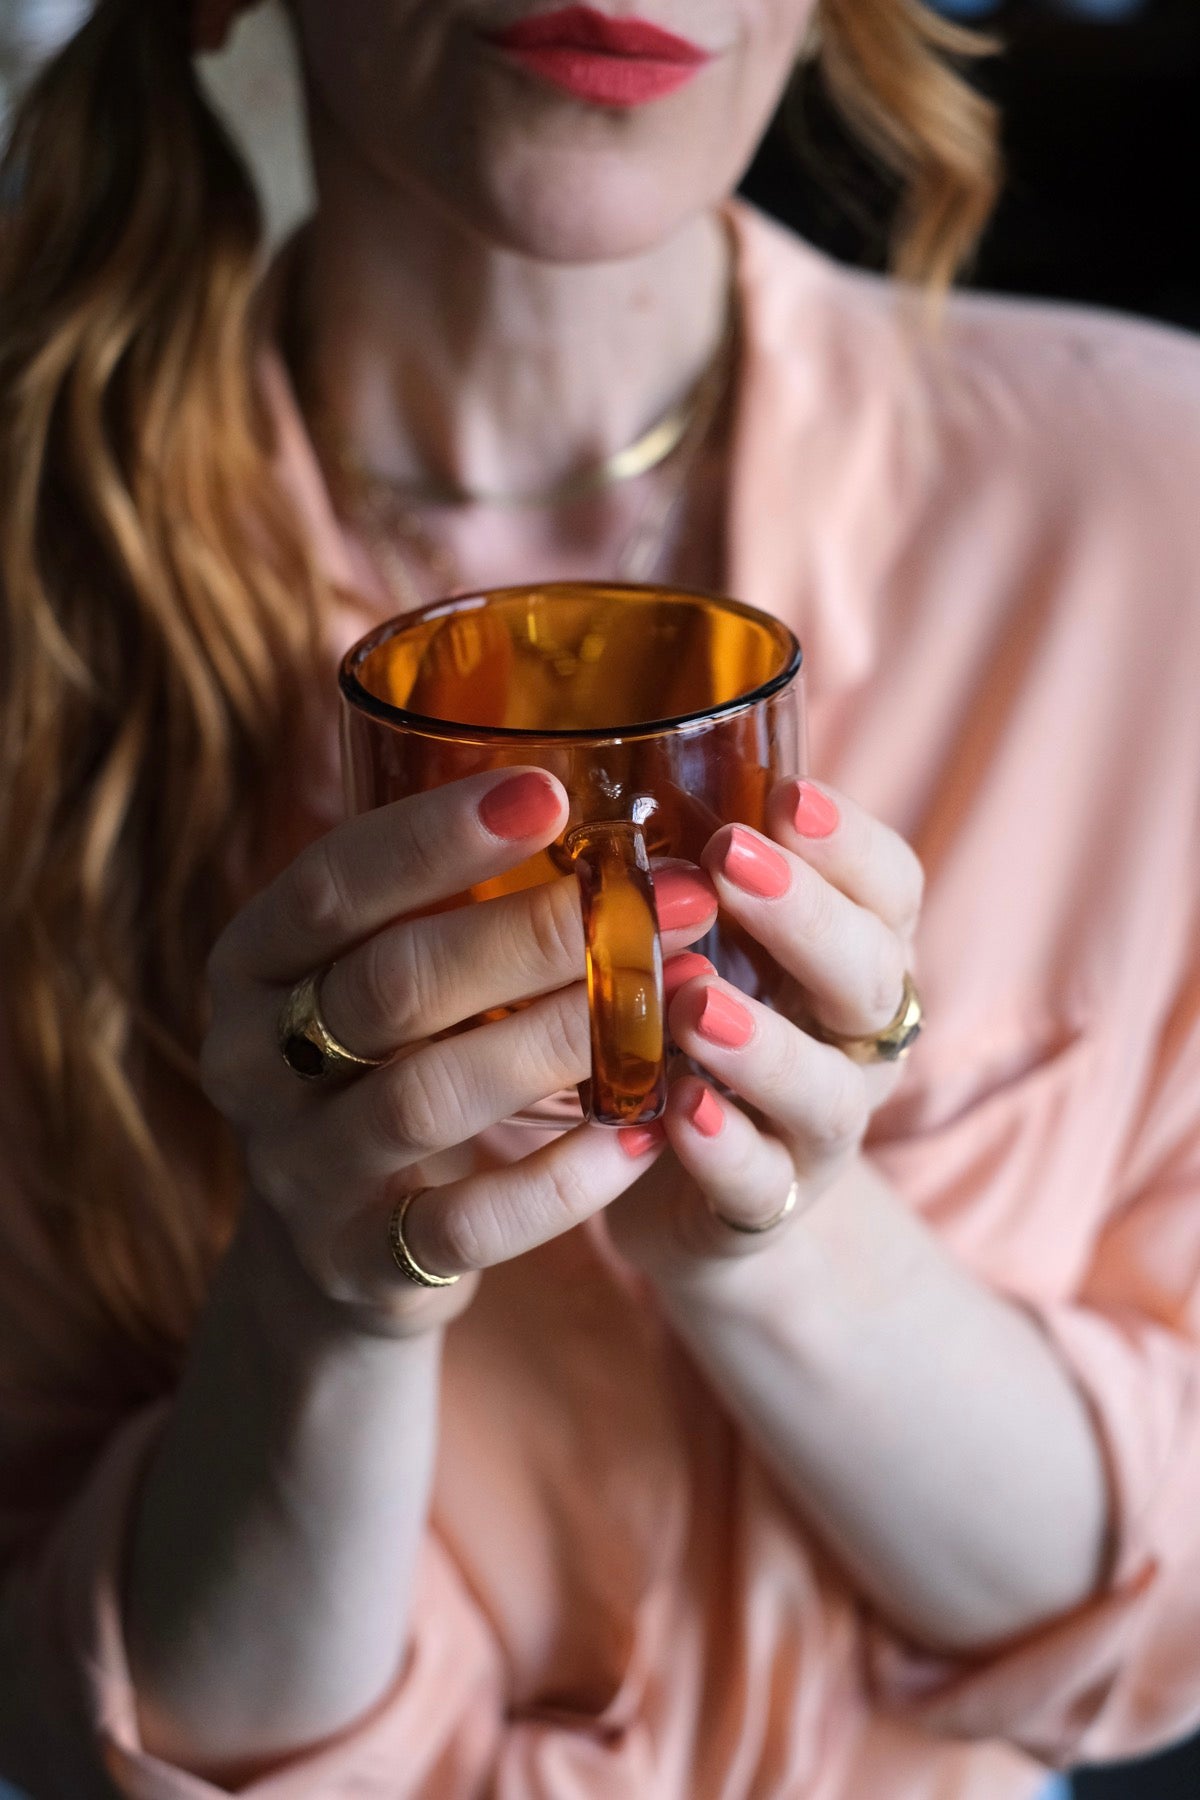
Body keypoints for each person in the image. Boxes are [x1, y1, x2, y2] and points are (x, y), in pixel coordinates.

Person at [0, 0, 1198, 1795]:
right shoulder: (35, 605)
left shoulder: (1157, 511)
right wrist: (327, 1300)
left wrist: (783, 1247)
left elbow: (1151, 1619)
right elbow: (81, 1711)